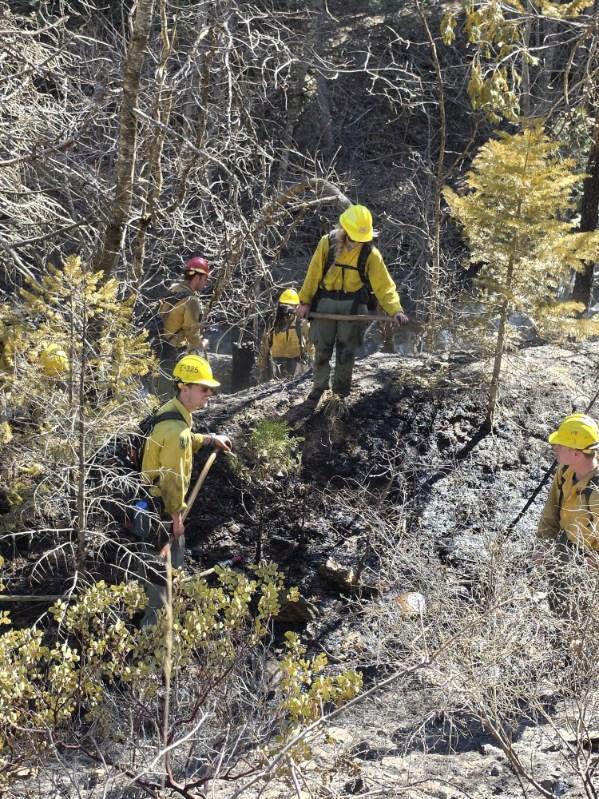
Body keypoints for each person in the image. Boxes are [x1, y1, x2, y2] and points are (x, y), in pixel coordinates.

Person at [137, 353, 232, 626]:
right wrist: (177, 520)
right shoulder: (176, 431)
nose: (208, 395)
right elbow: (172, 481)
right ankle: (152, 637)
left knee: (154, 572)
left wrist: (209, 438)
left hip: (147, 507)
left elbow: (183, 439)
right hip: (161, 513)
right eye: (204, 389)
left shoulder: (170, 412)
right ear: (184, 387)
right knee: (165, 576)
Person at [296, 204, 408, 411]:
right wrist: (305, 302)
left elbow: (384, 286)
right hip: (325, 305)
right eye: (353, 237)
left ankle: (340, 394)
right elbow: (313, 273)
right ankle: (319, 388)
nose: (356, 242)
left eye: (360, 239)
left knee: (346, 352)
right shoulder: (326, 244)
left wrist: (396, 310)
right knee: (322, 349)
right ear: (344, 230)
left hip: (352, 307)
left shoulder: (370, 254)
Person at [537, 412, 599, 615]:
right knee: (557, 601)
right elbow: (551, 510)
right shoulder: (565, 471)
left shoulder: (597, 492)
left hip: (587, 563)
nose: (555, 447)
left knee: (578, 614)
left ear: (576, 453)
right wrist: (544, 543)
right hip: (563, 546)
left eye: (560, 445)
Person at [154, 256, 211, 401]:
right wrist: (201, 346)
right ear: (197, 277)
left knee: (158, 393)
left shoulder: (174, 289)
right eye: (205, 279)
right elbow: (191, 333)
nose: (205, 283)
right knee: (169, 397)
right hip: (173, 352)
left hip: (158, 345)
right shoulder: (192, 300)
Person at [257, 289, 313, 380]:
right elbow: (264, 345)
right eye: (284, 304)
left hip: (297, 363)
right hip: (277, 364)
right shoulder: (273, 323)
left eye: (290, 305)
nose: (286, 308)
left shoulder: (302, 324)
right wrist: (261, 366)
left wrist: (313, 362)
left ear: (296, 307)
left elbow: (311, 344)